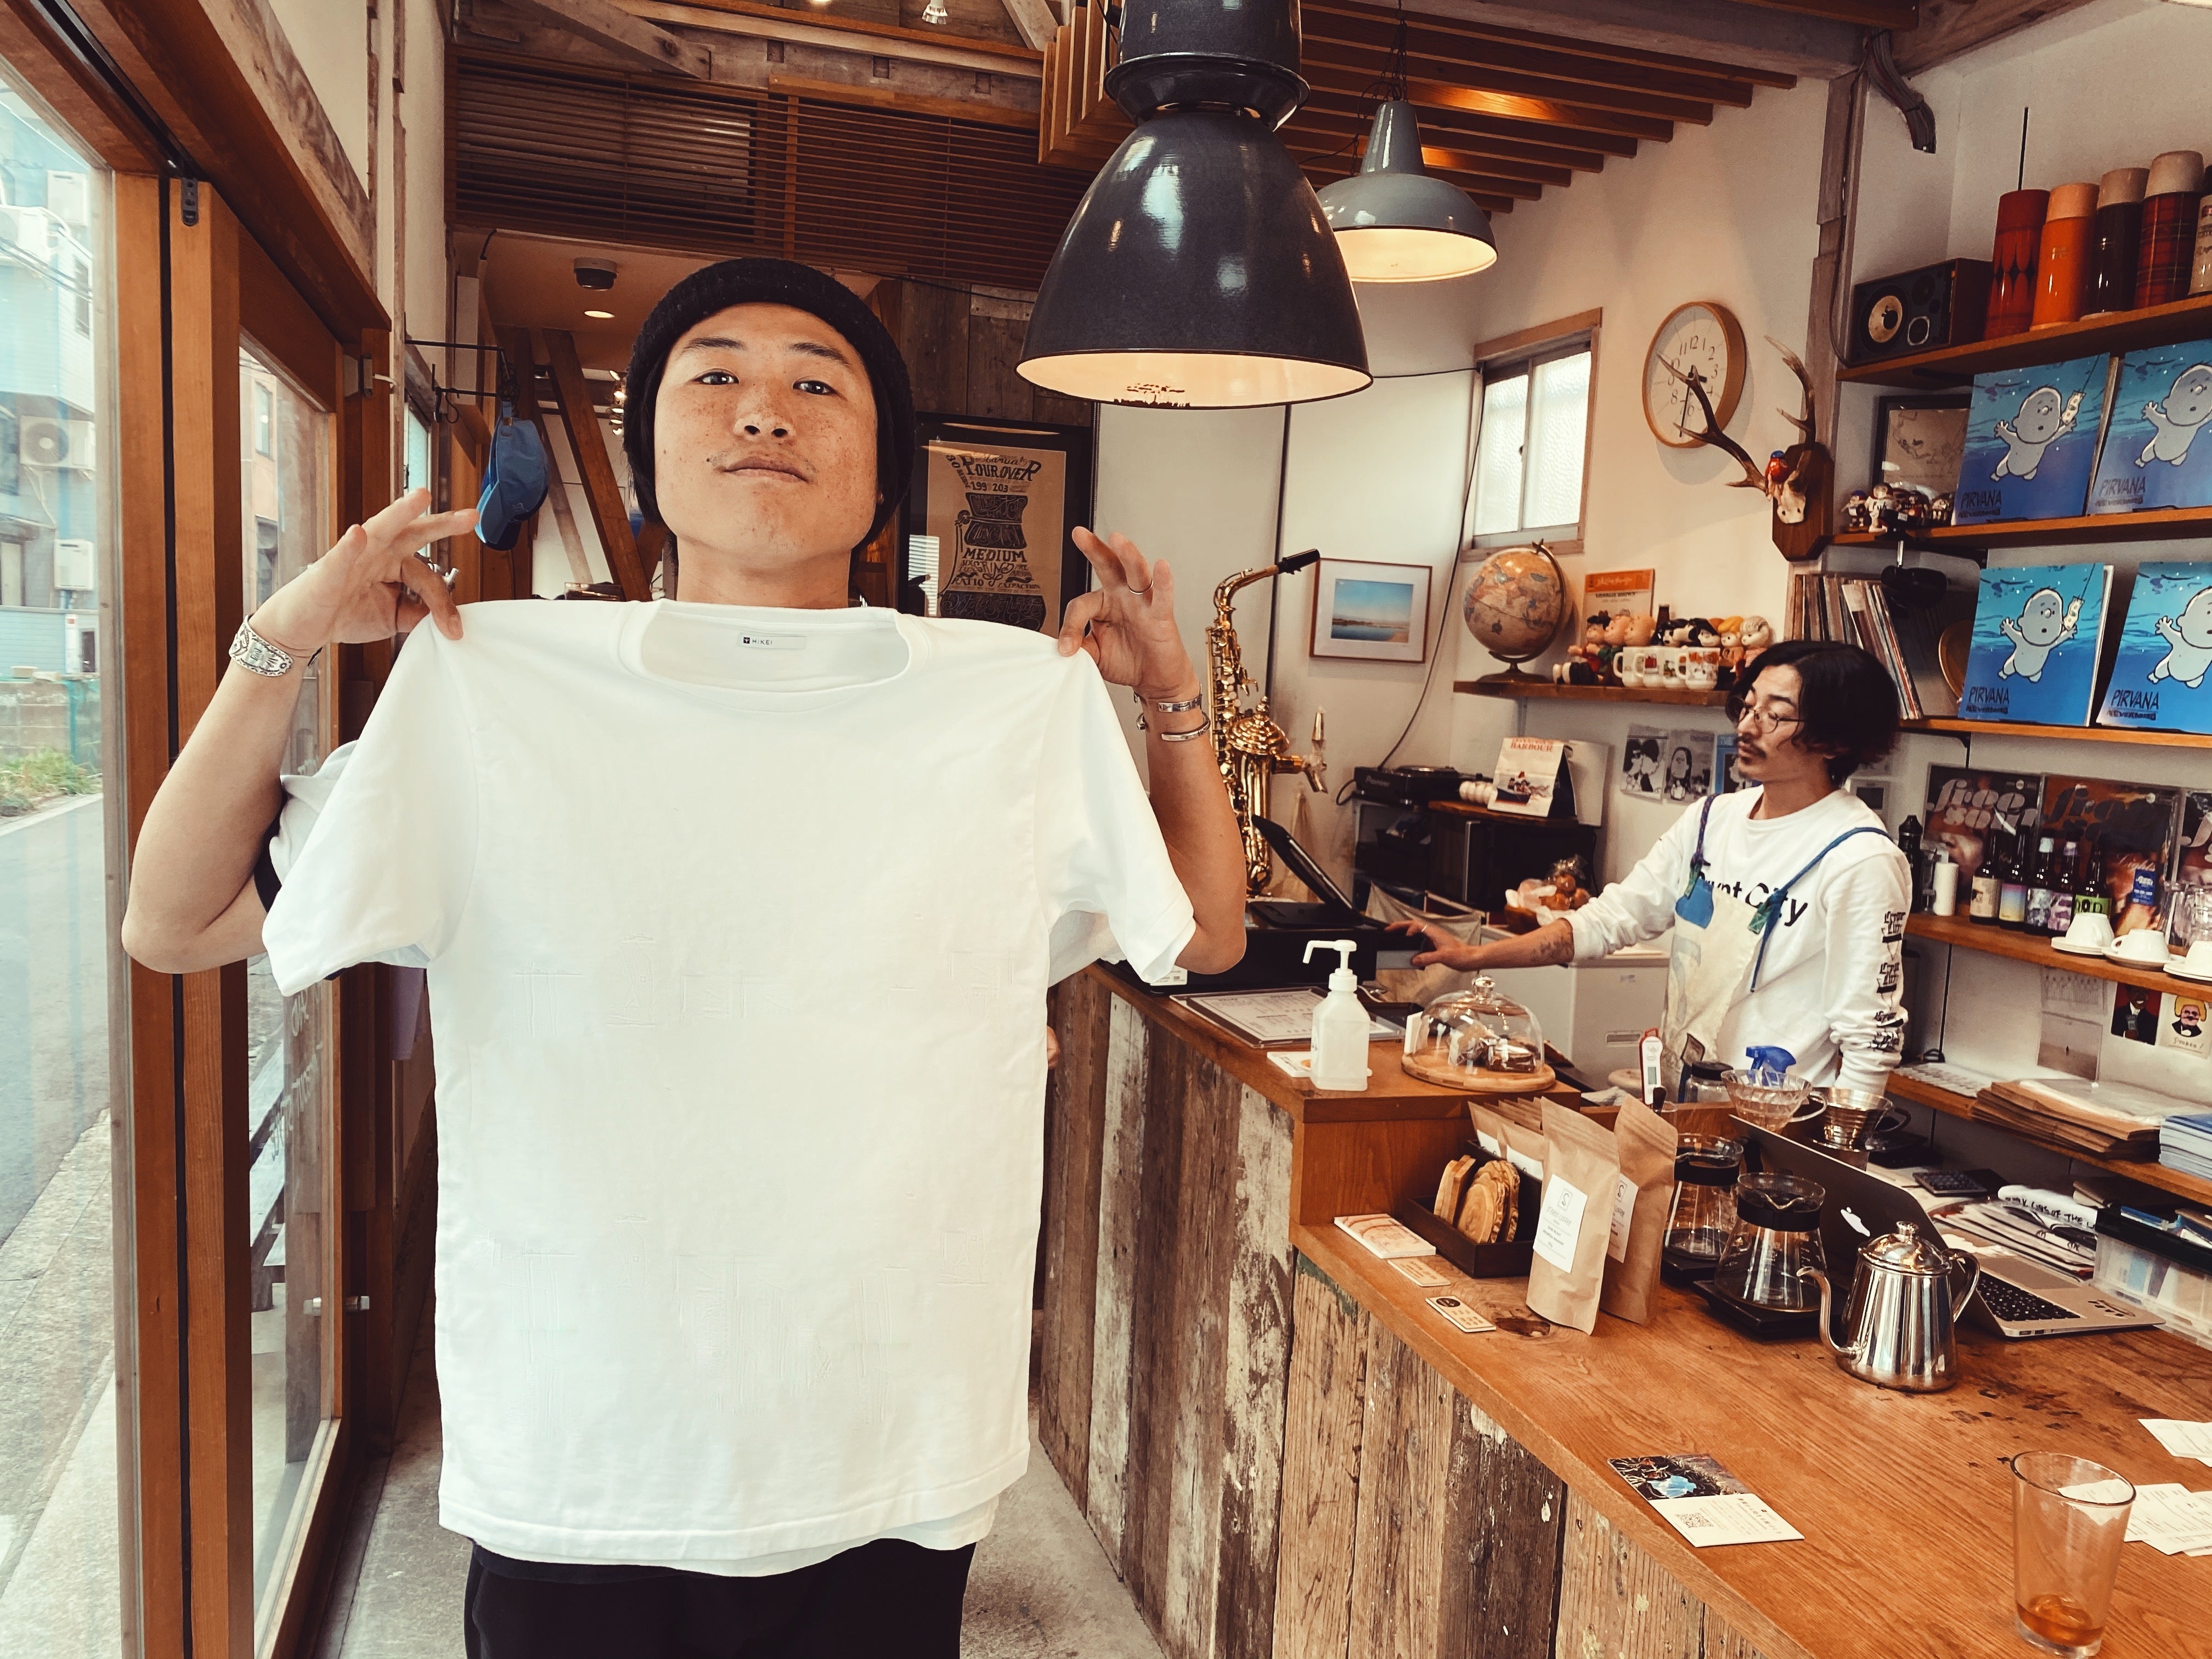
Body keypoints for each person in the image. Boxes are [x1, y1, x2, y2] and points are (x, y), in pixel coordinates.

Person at [119, 257, 1247, 1657]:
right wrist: (282, 638)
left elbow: (1204, 932)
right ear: (648, 464)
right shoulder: (499, 696)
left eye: (817, 383)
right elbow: (176, 922)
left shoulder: (1002, 710)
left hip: (881, 1439)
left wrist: (1172, 701)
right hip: (588, 1449)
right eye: (714, 375)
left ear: (884, 480)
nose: (764, 409)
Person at [1401, 641, 1910, 1094]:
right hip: (1684, 1100)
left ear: (1837, 741)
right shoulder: (1712, 819)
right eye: (1748, 706)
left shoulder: (1859, 858)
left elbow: (1870, 1041)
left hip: (1780, 1120)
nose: (1746, 727)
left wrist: (1830, 1155)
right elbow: (1610, 920)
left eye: (1775, 715)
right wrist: (1474, 956)